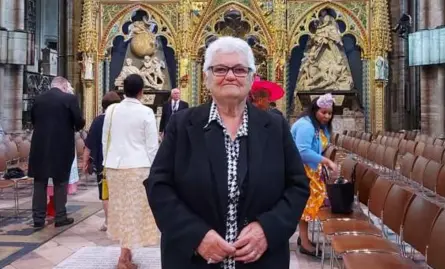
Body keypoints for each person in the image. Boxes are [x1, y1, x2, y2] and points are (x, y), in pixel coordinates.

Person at [144, 36, 309, 269]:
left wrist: (267, 229)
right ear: (206, 78)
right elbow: (158, 186)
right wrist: (196, 235)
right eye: (220, 69)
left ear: (252, 78)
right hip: (194, 260)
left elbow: (298, 186)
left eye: (240, 69)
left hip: (262, 261)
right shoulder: (182, 125)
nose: (230, 76)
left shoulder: (274, 127)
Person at [102, 74, 159, 269]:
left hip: (114, 166)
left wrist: (106, 161)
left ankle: (126, 255)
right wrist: (155, 170)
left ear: (123, 90)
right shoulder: (146, 112)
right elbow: (152, 146)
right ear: (142, 91)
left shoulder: (111, 110)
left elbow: (105, 140)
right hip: (138, 166)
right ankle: (123, 259)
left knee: (120, 210)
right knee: (133, 212)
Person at [28, 76, 85, 229]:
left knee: (40, 183)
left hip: (40, 146)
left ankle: (38, 219)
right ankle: (60, 216)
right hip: (61, 146)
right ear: (64, 86)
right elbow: (79, 122)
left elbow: (33, 119)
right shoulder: (69, 99)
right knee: (61, 181)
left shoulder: (38, 99)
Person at [290, 93, 338, 257]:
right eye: (323, 112)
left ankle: (304, 238)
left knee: (310, 204)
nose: (326, 116)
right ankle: (304, 242)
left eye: (329, 113)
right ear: (314, 110)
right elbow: (302, 152)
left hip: (311, 170)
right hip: (302, 171)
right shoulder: (306, 126)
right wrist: (327, 161)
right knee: (306, 205)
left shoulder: (317, 125)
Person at [82, 91, 122, 231]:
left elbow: (89, 143)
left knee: (106, 193)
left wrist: (85, 161)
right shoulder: (124, 119)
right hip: (122, 161)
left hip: (103, 161)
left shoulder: (99, 120)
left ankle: (108, 222)